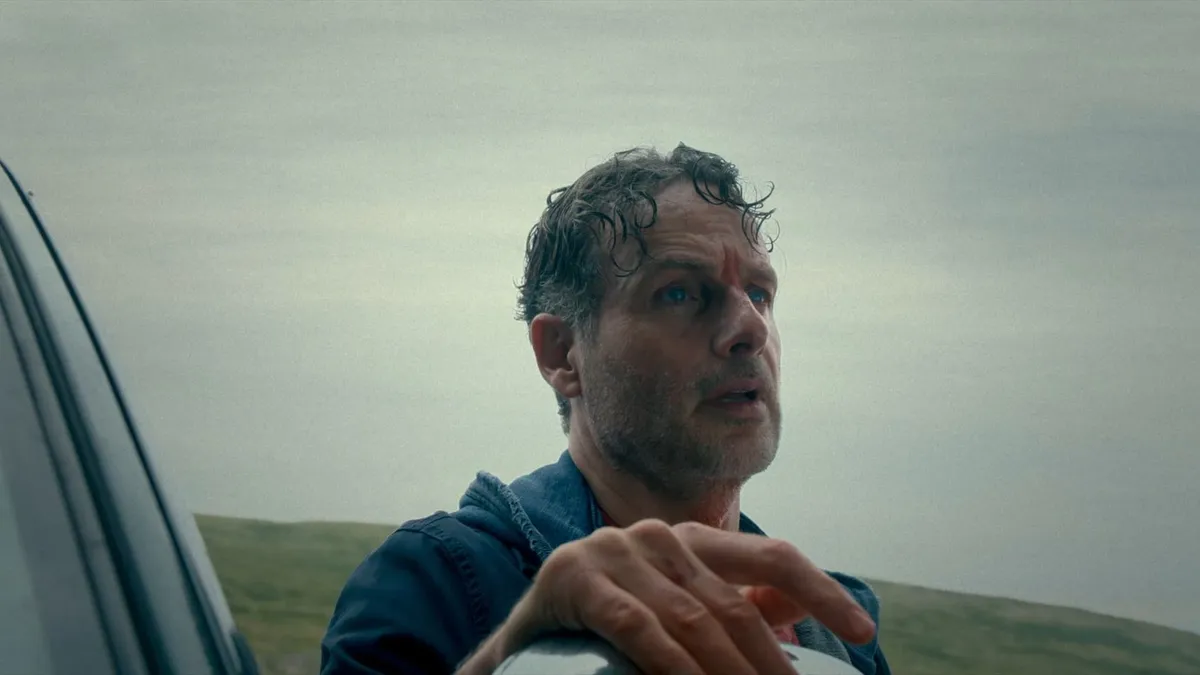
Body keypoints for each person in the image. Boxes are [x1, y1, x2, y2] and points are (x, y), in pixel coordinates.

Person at [320, 144, 892, 675]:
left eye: (760, 294)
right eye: (679, 293)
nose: (750, 328)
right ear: (561, 353)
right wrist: (516, 654)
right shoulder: (434, 582)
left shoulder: (839, 632)